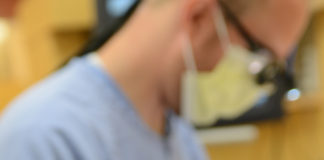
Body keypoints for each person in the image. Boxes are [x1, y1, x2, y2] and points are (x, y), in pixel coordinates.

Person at [0, 0, 308, 159]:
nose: (261, 86)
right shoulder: (45, 138)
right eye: (259, 59)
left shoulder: (180, 139)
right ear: (199, 14)